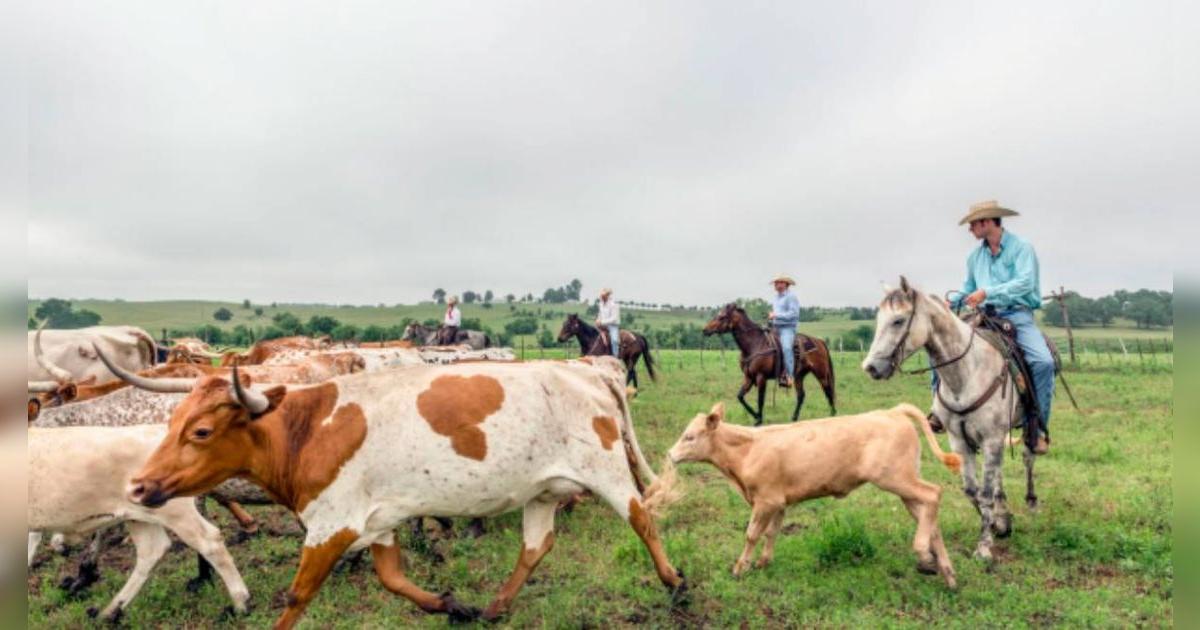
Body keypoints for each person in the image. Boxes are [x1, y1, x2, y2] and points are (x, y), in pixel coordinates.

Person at [936, 199, 1055, 454]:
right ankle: (940, 411)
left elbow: (1025, 283)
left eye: (973, 224)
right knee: (942, 346)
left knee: (1043, 362)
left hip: (1017, 315)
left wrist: (987, 292)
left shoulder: (1022, 249)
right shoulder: (974, 257)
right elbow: (969, 288)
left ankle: (1036, 427)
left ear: (988, 222)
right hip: (983, 315)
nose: (970, 229)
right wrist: (951, 302)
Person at [767, 275, 800, 388]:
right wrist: (772, 318)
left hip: (787, 328)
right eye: (775, 283)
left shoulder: (791, 297)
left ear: (786, 284)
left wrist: (776, 315)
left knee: (786, 348)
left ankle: (789, 376)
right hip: (775, 327)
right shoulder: (776, 298)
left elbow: (794, 314)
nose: (776, 284)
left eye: (779, 282)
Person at [595, 288, 620, 357]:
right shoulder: (601, 304)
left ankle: (615, 356)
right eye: (601, 296)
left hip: (612, 325)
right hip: (602, 325)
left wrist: (602, 322)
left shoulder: (613, 305)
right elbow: (600, 314)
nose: (602, 297)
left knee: (614, 340)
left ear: (607, 296)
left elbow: (614, 318)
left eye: (603, 296)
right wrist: (597, 320)